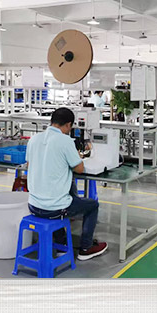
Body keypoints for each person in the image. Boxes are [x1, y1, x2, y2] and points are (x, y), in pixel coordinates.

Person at [26, 107, 108, 261]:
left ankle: (61, 245)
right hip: (54, 208)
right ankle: (86, 248)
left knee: (63, 194)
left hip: (33, 205)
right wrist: (76, 155)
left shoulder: (34, 139)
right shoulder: (65, 141)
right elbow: (79, 168)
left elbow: (30, 165)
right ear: (68, 125)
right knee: (92, 205)